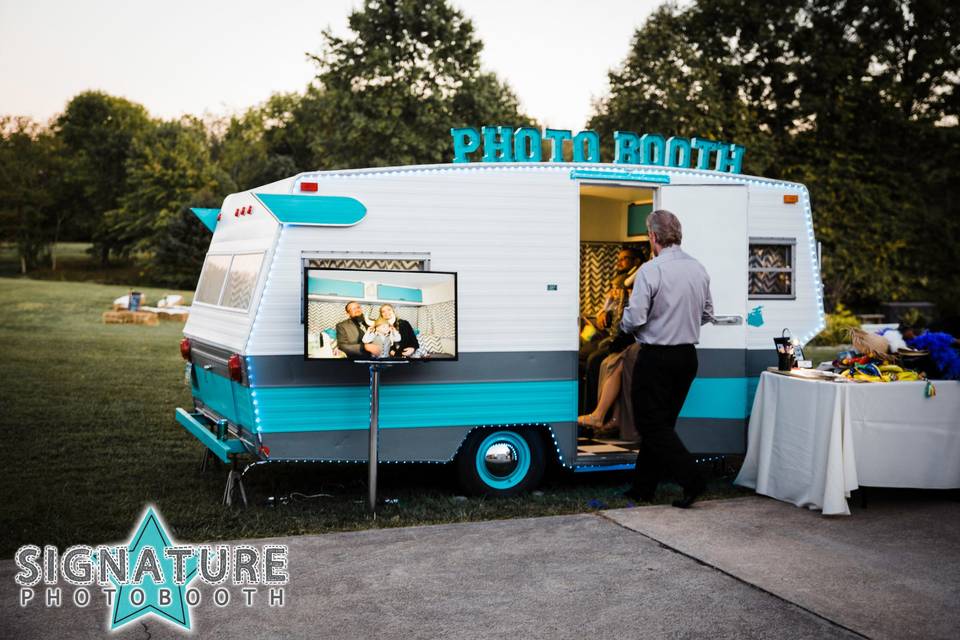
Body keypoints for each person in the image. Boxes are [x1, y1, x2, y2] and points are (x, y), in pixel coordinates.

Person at [620, 209, 715, 508]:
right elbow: (708, 313)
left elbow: (635, 317)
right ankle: (642, 489)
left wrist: (624, 325)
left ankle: (692, 479)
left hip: (656, 358)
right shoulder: (698, 268)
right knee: (662, 425)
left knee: (651, 425)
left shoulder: (651, 270)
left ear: (652, 237)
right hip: (687, 358)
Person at [580, 248, 643, 419]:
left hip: (624, 338)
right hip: (607, 334)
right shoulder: (617, 284)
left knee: (595, 360)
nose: (619, 262)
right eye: (619, 258)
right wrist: (602, 313)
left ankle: (595, 414)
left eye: (625, 259)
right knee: (580, 355)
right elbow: (606, 307)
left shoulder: (636, 284)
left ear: (636, 262)